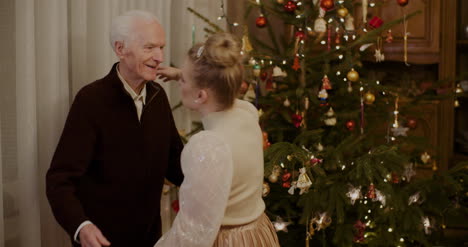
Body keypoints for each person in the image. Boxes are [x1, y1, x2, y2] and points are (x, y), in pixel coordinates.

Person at [46, 10, 184, 247]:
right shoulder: (90, 100)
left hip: (150, 239)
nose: (160, 57)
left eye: (161, 47)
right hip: (103, 241)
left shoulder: (158, 96)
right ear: (120, 49)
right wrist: (81, 226)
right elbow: (60, 180)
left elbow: (176, 165)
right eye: (149, 47)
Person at [154, 32, 280, 247]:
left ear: (201, 95)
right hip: (256, 234)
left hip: (228, 240)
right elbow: (222, 87)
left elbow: (193, 232)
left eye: (183, 80)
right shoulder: (247, 112)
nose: (179, 83)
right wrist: (184, 75)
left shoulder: (209, 146)